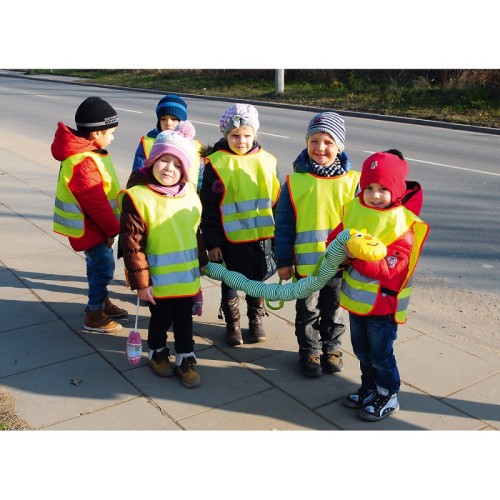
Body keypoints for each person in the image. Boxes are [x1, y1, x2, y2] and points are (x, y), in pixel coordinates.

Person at [327, 150, 429, 421]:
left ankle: (388, 394)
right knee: (362, 350)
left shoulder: (403, 225)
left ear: (396, 189)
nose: (374, 195)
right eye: (369, 187)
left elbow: (390, 269)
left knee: (381, 354)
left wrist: (353, 255)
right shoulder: (356, 209)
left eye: (383, 189)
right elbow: (337, 237)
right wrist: (336, 250)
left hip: (382, 306)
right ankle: (368, 388)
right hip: (357, 303)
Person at [118, 121, 208, 388]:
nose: (170, 168)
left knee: (184, 319)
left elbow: (195, 233)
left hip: (186, 278)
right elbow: (132, 244)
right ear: (152, 161)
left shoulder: (190, 193)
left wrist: (202, 266)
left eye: (177, 163)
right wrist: (141, 283)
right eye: (163, 160)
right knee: (160, 319)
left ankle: (185, 357)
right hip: (157, 281)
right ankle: (157, 352)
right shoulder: (137, 197)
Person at [274, 111, 360, 377]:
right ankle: (310, 352)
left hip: (338, 265)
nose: (320, 147)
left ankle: (332, 349)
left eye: (328, 142)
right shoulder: (295, 182)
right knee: (307, 312)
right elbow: (285, 224)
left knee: (334, 311)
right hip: (306, 267)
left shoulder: (352, 183)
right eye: (314, 141)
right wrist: (284, 261)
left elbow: (361, 227)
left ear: (339, 146)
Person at [199, 103, 281, 346]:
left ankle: (256, 320)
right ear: (226, 135)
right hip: (229, 239)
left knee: (256, 281)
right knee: (232, 282)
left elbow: (276, 202)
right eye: (235, 135)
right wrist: (212, 243)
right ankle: (232, 323)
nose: (241, 141)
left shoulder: (268, 160)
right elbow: (209, 208)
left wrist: (279, 240)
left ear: (254, 134)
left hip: (261, 237)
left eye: (247, 135)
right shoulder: (216, 163)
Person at [52, 96, 128, 333]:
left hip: (97, 227)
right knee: (103, 268)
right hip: (92, 228)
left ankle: (100, 301)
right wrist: (114, 230)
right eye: (111, 132)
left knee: (96, 266)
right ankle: (94, 314)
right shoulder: (83, 162)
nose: (113, 137)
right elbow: (96, 204)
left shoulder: (90, 153)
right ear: (96, 133)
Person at [131, 93, 202, 191]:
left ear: (182, 122)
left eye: (174, 119)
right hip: (155, 198)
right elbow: (138, 174)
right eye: (163, 119)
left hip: (186, 201)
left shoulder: (194, 147)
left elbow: (200, 178)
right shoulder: (147, 143)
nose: (168, 123)